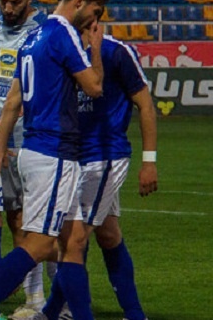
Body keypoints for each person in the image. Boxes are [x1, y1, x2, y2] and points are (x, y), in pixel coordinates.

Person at [0, 0, 111, 320]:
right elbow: (94, 87)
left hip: (33, 150)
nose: (95, 20)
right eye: (95, 12)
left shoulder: (32, 38)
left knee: (73, 242)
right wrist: (97, 49)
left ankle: (69, 314)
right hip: (54, 151)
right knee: (41, 243)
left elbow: (12, 101)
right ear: (80, 2)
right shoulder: (62, 33)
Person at [36, 30, 159, 320]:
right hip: (73, 157)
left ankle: (52, 312)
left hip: (103, 157)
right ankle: (135, 314)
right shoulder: (64, 46)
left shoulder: (117, 52)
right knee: (107, 233)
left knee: (73, 241)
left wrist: (149, 161)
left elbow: (145, 105)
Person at [0, 0, 49, 319]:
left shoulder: (44, 31)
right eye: (2, 1)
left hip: (36, 142)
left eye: (15, 2)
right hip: (4, 144)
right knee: (16, 218)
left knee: (41, 223)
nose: (8, 9)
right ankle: (34, 298)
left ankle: (50, 301)